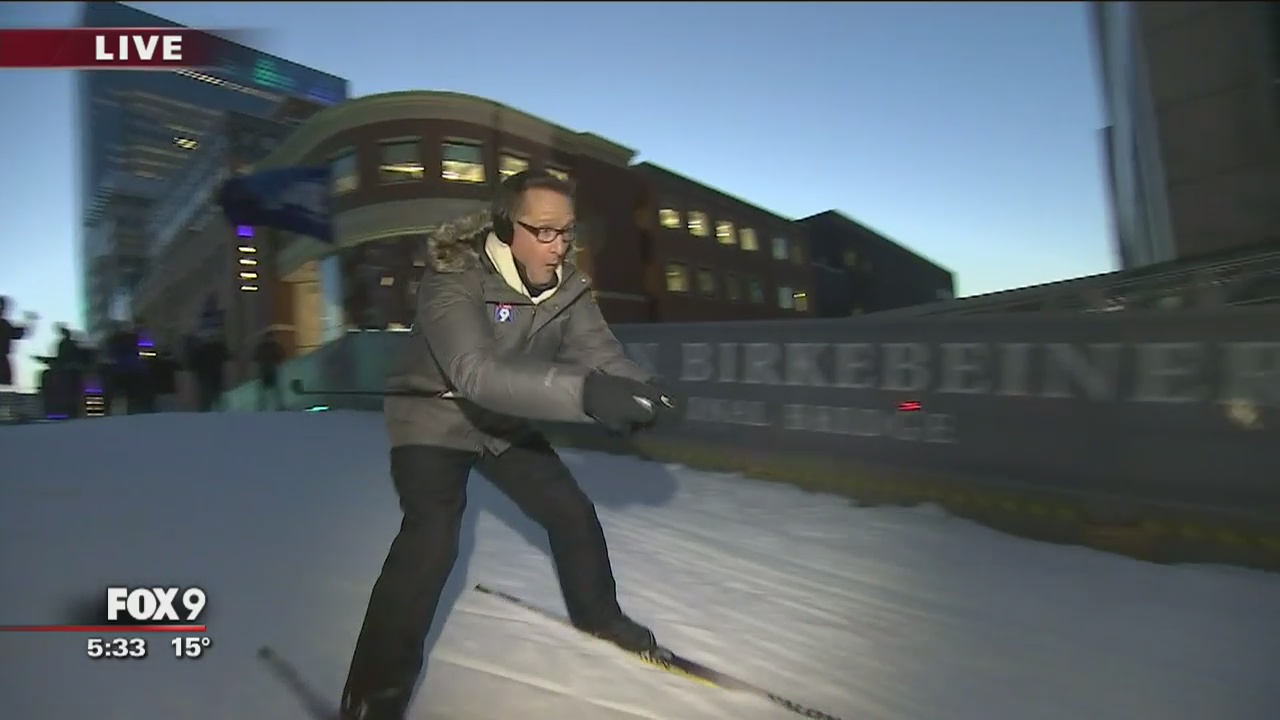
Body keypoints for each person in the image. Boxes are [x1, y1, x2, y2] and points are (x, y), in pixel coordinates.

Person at [340, 169, 684, 720]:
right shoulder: (453, 276)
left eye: (567, 231)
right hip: (432, 417)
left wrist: (643, 390)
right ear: (505, 226)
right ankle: (375, 693)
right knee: (432, 539)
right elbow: (475, 373)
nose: (558, 245)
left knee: (571, 513)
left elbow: (599, 353)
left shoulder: (567, 288)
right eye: (543, 231)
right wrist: (589, 395)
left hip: (502, 423)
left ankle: (600, 618)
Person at [0, 296, 37, 389]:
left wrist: (30, 322)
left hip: (3, 361)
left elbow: (18, 333)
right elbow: (19, 333)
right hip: (2, 361)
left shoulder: (5, 324)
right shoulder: (4, 324)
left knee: (5, 387)